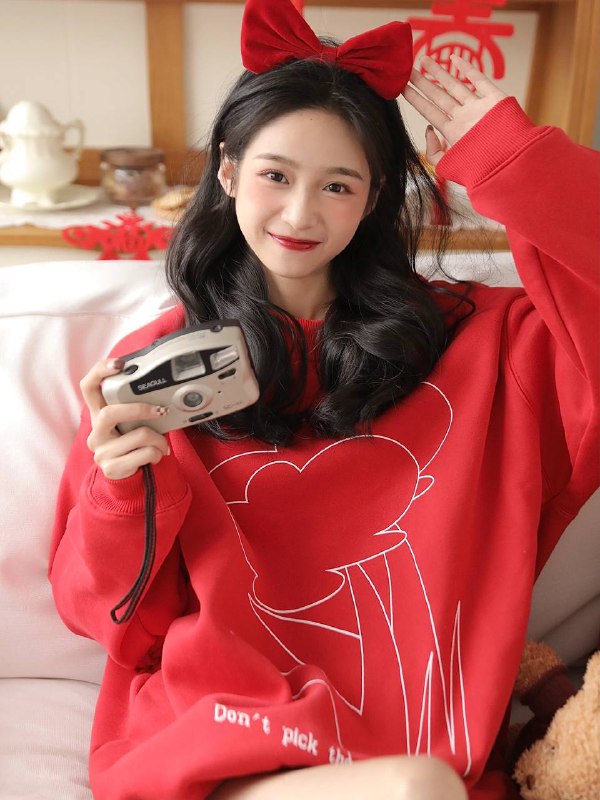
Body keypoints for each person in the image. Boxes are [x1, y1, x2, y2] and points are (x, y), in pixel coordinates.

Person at [49, 0, 599, 797]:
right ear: (228, 172)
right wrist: (119, 493)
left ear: (374, 197)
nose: (301, 214)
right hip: (219, 742)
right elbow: (105, 620)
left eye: (338, 185)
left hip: (414, 751)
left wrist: (514, 161)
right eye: (275, 175)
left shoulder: (491, 346)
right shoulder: (159, 366)